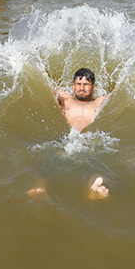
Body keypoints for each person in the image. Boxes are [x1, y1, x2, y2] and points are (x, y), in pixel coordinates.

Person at [48, 68, 110, 200]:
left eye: (86, 84)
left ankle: (94, 188)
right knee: (49, 160)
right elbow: (46, 84)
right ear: (73, 86)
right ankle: (41, 185)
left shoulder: (98, 102)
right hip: (68, 139)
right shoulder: (66, 99)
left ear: (93, 88)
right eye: (78, 84)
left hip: (88, 139)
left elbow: (127, 91)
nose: (81, 87)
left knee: (96, 162)